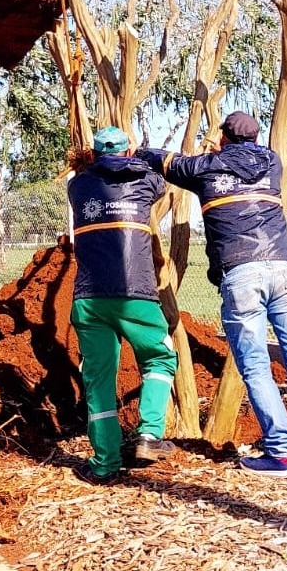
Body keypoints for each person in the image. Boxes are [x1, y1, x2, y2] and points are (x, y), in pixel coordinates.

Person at [137, 111, 287, 479]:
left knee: (256, 364)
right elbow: (238, 162)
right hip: (286, 269)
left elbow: (165, 162)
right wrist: (222, 151)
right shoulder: (273, 163)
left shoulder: (204, 168)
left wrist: (136, 149)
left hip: (242, 273)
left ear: (223, 137)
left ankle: (280, 452)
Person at [67, 125, 178, 485]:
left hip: (89, 298)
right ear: (128, 152)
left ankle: (104, 465)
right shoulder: (146, 181)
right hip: (138, 295)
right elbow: (162, 181)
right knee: (160, 357)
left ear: (95, 153)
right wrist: (140, 154)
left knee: (98, 380)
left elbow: (90, 172)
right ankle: (148, 433)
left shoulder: (78, 186)